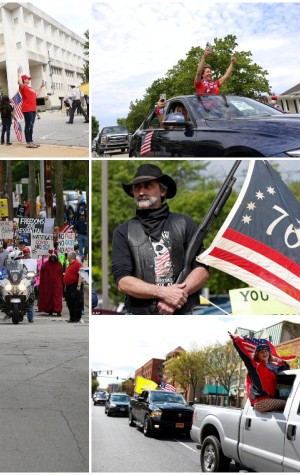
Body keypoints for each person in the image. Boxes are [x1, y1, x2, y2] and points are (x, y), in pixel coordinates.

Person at [111, 164, 210, 314]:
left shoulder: (184, 223)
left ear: (162, 191)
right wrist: (164, 293)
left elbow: (202, 269)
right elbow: (123, 281)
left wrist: (176, 298)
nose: (141, 192)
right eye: (137, 188)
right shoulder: (123, 231)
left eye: (148, 186)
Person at [229, 333, 290, 412]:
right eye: (261, 352)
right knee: (291, 405)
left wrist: (278, 360)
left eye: (266, 351)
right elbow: (244, 355)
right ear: (257, 355)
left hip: (270, 399)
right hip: (261, 402)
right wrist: (236, 340)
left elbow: (286, 368)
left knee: (291, 405)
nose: (265, 353)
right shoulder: (255, 366)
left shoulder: (273, 367)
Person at [17, 68, 44, 148]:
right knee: (28, 125)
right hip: (27, 109)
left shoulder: (30, 88)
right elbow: (19, 82)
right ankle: (28, 142)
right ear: (24, 80)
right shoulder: (23, 87)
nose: (29, 80)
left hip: (32, 109)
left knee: (31, 125)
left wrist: (40, 87)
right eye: (28, 79)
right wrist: (18, 73)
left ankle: (31, 141)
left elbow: (36, 95)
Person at [63, 252, 83, 322]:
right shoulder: (70, 265)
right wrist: (66, 285)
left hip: (74, 285)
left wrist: (79, 285)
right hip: (68, 286)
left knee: (75, 302)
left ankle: (75, 318)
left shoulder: (77, 264)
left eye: (68, 256)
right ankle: (72, 317)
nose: (67, 257)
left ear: (71, 257)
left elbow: (81, 274)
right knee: (69, 302)